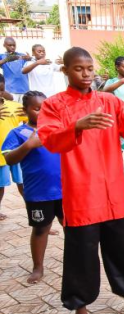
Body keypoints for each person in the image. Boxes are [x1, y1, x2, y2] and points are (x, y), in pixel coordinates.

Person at [38, 46, 124, 314]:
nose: (86, 74)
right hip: (81, 193)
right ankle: (80, 311)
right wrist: (76, 125)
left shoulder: (108, 101)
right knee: (81, 256)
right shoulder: (54, 105)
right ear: (65, 71)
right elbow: (50, 140)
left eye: (90, 69)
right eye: (78, 69)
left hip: (114, 192)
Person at [1, 91, 63, 284]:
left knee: (72, 226)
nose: (43, 112)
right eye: (37, 109)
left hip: (65, 190)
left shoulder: (57, 128)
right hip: (38, 193)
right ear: (25, 110)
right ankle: (38, 267)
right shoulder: (18, 133)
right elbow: (9, 158)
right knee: (40, 229)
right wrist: (28, 145)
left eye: (46, 108)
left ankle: (78, 260)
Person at [0, 76, 26, 220]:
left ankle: (37, 215)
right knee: (0, 187)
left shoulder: (14, 106)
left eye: (1, 90)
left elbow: (30, 123)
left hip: (15, 152)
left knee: (23, 185)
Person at [0, 37, 32, 101]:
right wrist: (7, 59)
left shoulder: (22, 55)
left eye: (14, 45)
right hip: (10, 90)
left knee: (23, 110)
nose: (12, 47)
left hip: (24, 89)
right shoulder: (2, 56)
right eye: (10, 45)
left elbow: (31, 63)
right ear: (4, 45)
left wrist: (30, 58)